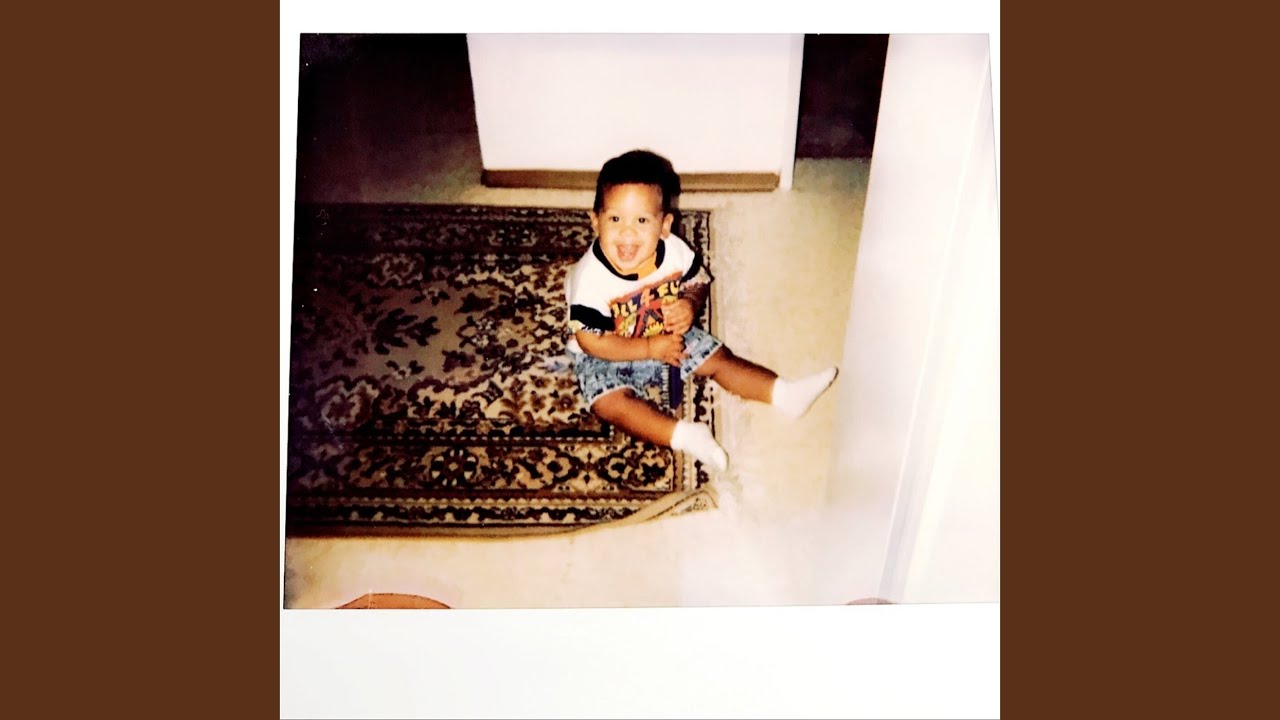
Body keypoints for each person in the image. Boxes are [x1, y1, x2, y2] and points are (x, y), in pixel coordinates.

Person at [564, 149, 837, 471]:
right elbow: (591, 341)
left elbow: (698, 282)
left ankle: (783, 394)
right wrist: (649, 348)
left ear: (665, 225)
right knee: (609, 404)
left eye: (642, 220)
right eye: (615, 219)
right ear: (595, 221)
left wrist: (688, 305)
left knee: (719, 359)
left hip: (662, 332)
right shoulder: (590, 279)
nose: (627, 232)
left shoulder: (674, 251)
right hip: (607, 351)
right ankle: (686, 436)